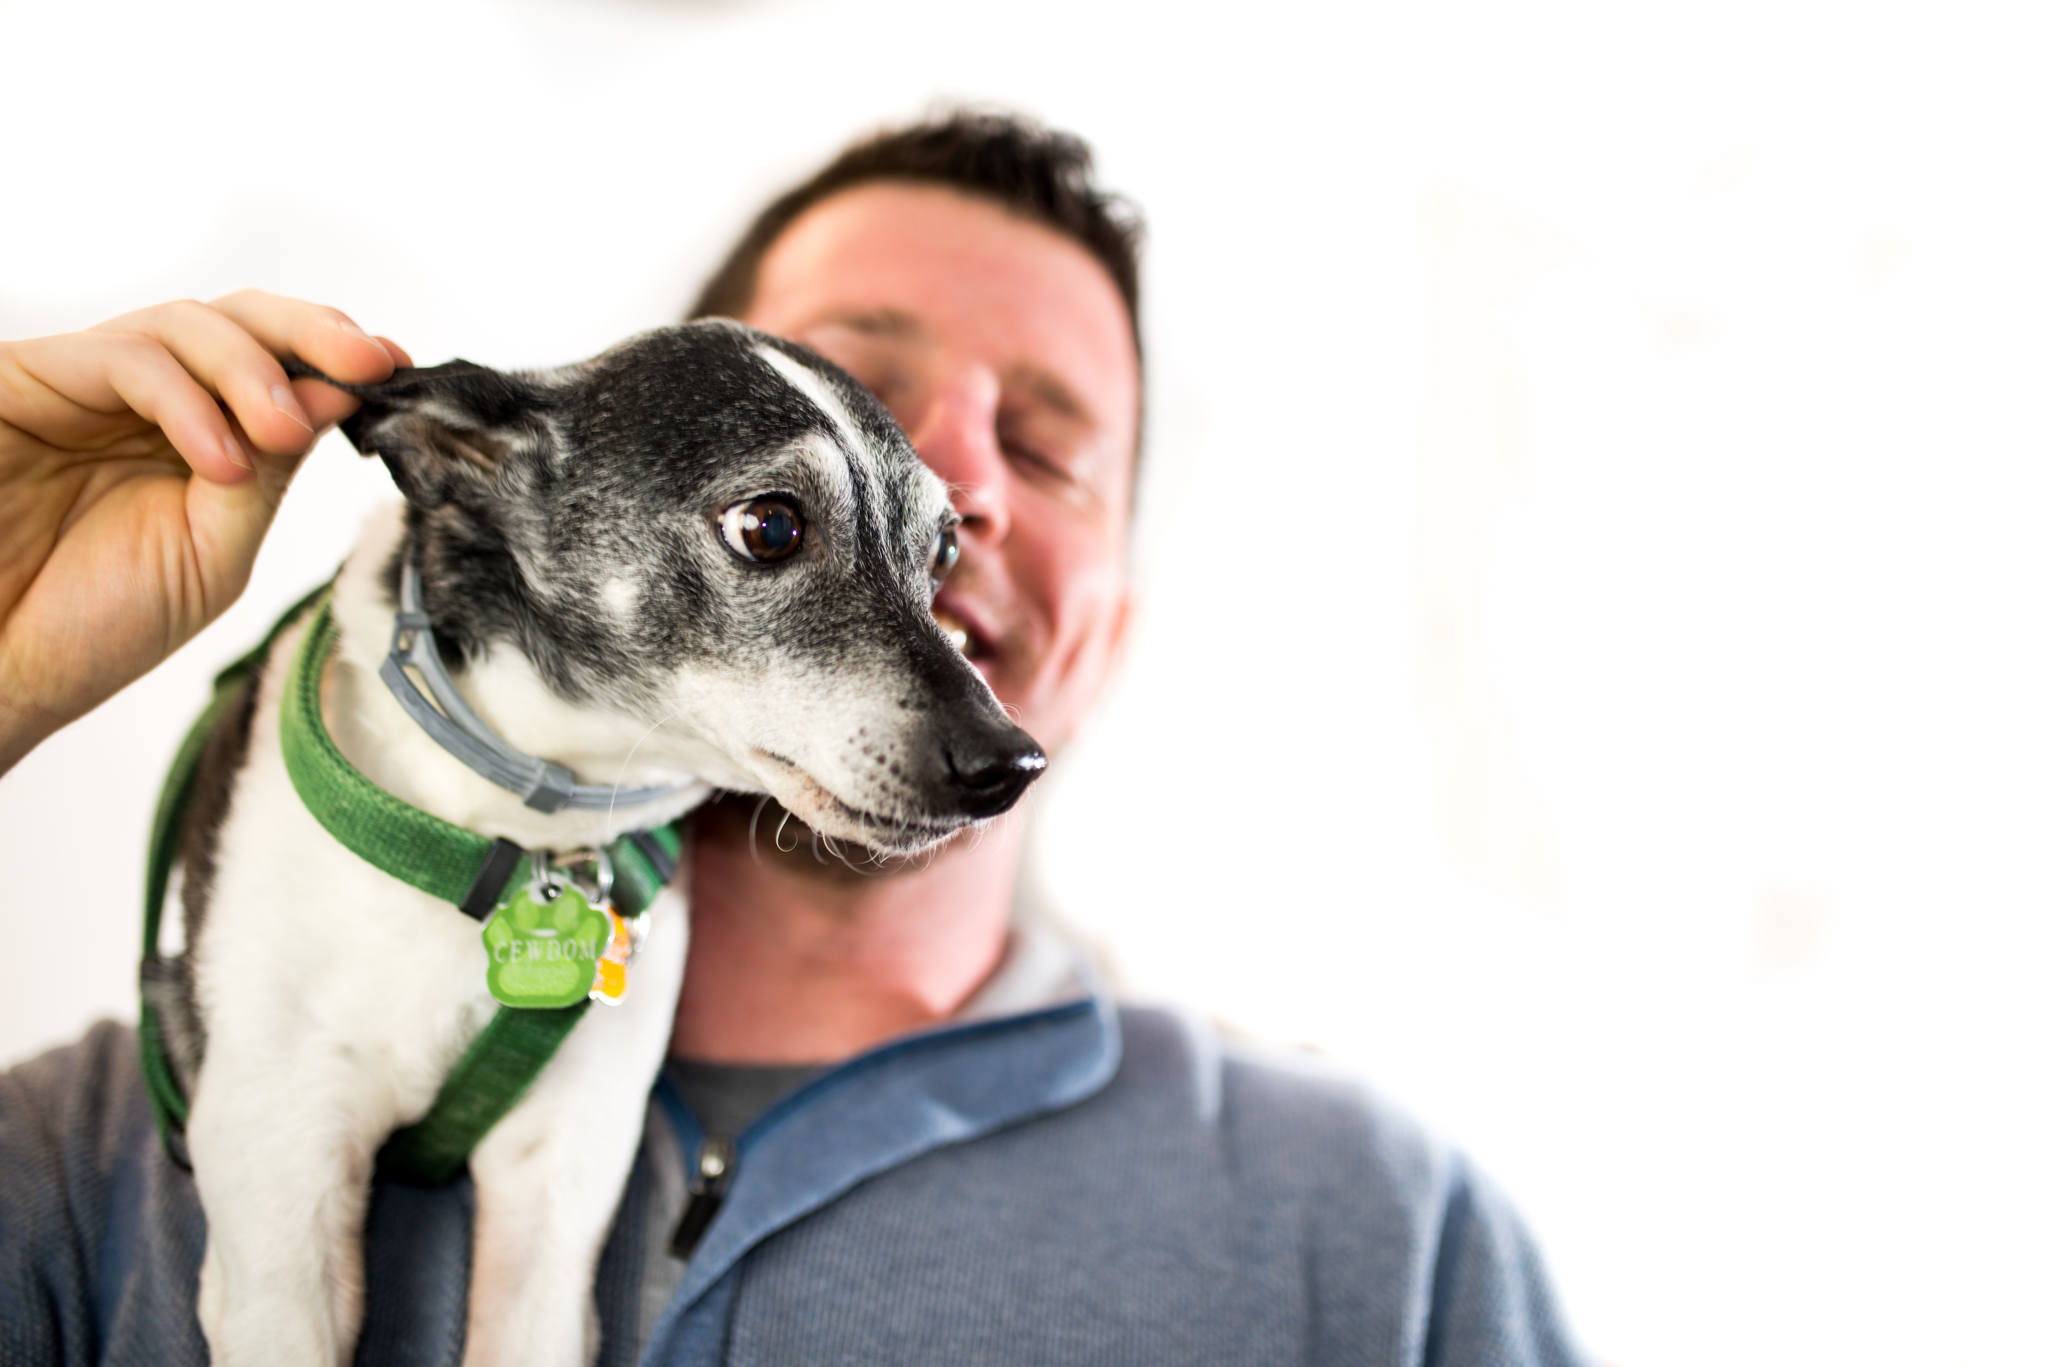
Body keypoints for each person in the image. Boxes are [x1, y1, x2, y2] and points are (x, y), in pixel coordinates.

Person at [0, 114, 1583, 1365]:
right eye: (847, 403)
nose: (952, 485)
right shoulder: (84, 1170)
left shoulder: (1379, 1244)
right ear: (543, 476)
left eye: (1048, 443)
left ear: (1119, 623)